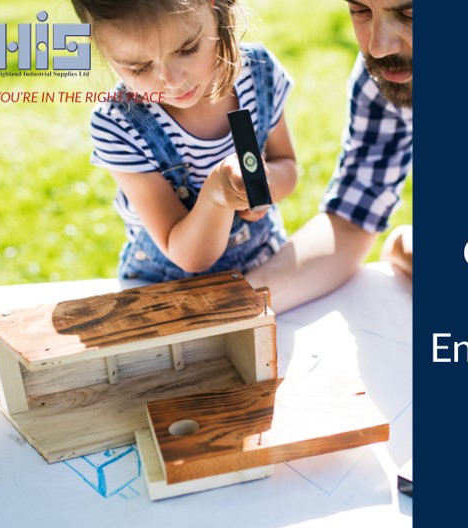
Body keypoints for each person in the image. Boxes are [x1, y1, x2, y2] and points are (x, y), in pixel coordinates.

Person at [72, 0, 297, 282]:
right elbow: (189, 255)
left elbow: (286, 165)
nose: (171, 81)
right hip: (168, 290)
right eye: (139, 67)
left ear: (218, 8)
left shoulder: (259, 74)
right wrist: (217, 194)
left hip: (264, 269)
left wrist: (259, 187)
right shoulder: (120, 124)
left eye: (187, 49)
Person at [247, 0, 413, 312]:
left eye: (410, 14)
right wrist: (232, 307)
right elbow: (351, 220)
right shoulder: (386, 79)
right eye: (360, 10)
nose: (377, 48)